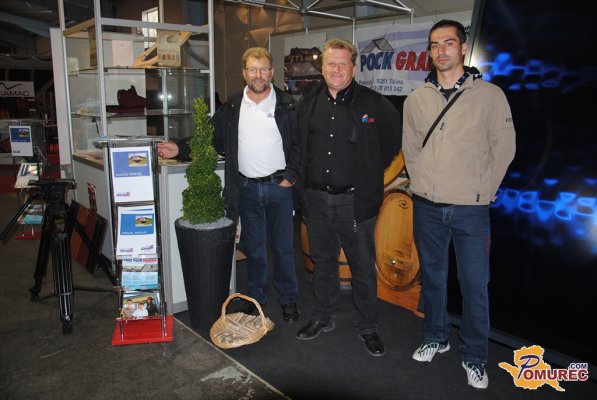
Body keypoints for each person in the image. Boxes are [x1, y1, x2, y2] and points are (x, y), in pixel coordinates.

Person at [402, 20, 516, 389]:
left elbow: (504, 147)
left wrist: (483, 189)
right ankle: (436, 336)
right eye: (435, 45)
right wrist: (421, 183)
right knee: (433, 279)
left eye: (448, 43)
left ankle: (475, 356)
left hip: (471, 209)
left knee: (474, 285)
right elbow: (411, 149)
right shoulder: (417, 99)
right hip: (427, 207)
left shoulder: (490, 96)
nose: (441, 51)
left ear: (462, 48)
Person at [158, 47, 301, 323]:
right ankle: (256, 298)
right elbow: (209, 139)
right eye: (252, 69)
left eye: (263, 69)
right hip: (246, 189)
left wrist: (291, 177)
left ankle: (288, 299)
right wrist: (179, 147)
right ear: (244, 73)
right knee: (255, 249)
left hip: (279, 188)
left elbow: (299, 144)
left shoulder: (288, 105)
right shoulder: (234, 106)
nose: (258, 75)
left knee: (283, 248)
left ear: (272, 72)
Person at [294, 38, 402, 357]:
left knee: (362, 267)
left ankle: (368, 326)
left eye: (343, 64)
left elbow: (391, 143)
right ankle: (323, 316)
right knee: (323, 262)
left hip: (355, 202)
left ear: (354, 69)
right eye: (331, 63)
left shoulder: (374, 103)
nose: (336, 69)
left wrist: (368, 170)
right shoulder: (309, 101)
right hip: (316, 199)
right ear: (322, 67)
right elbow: (300, 144)